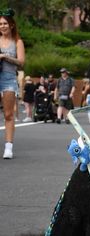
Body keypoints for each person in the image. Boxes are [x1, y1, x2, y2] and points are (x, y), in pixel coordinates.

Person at [0, 9, 25, 159]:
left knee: (8, 114)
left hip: (9, 79)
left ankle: (8, 147)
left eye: (5, 24)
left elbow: (21, 63)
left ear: (11, 25)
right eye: (0, 24)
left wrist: (5, 57)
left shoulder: (17, 42)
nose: (2, 26)